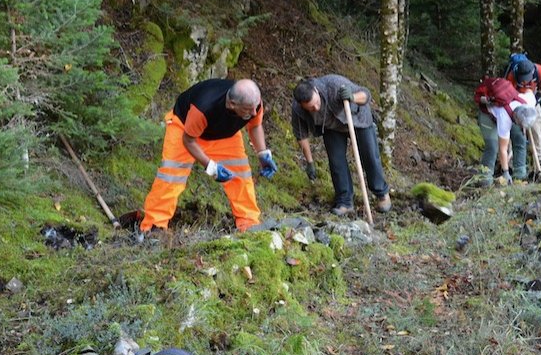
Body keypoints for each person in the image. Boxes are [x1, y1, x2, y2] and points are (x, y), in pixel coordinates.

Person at [139, 77, 277, 237]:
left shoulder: (253, 102)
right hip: (185, 129)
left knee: (240, 175)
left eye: (255, 108)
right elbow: (188, 141)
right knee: (171, 177)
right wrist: (211, 167)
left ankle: (249, 224)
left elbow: (255, 125)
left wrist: (262, 153)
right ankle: (153, 228)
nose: (254, 113)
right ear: (232, 104)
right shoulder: (204, 107)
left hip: (224, 134)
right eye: (248, 110)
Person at [291, 76, 391, 216]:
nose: (316, 108)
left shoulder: (334, 85)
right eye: (311, 108)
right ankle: (345, 201)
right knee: (336, 161)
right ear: (302, 105)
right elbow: (301, 135)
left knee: (369, 156)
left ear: (316, 90)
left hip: (357, 119)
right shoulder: (298, 109)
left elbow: (366, 94)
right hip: (331, 127)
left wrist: (352, 97)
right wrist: (310, 162)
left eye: (317, 103)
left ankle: (382, 193)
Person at [504, 55, 541, 176]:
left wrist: (540, 92)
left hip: (533, 101)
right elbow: (508, 93)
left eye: (527, 79)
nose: (524, 82)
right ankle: (510, 162)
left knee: (535, 128)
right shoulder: (511, 76)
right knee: (513, 132)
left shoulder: (538, 69)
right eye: (522, 79)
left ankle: (540, 158)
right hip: (517, 104)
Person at [476, 77, 539, 185]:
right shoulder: (505, 118)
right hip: (488, 115)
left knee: (520, 138)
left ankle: (520, 173)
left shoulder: (528, 101)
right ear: (517, 120)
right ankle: (485, 177)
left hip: (510, 113)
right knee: (493, 145)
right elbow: (503, 149)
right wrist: (505, 172)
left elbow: (529, 91)